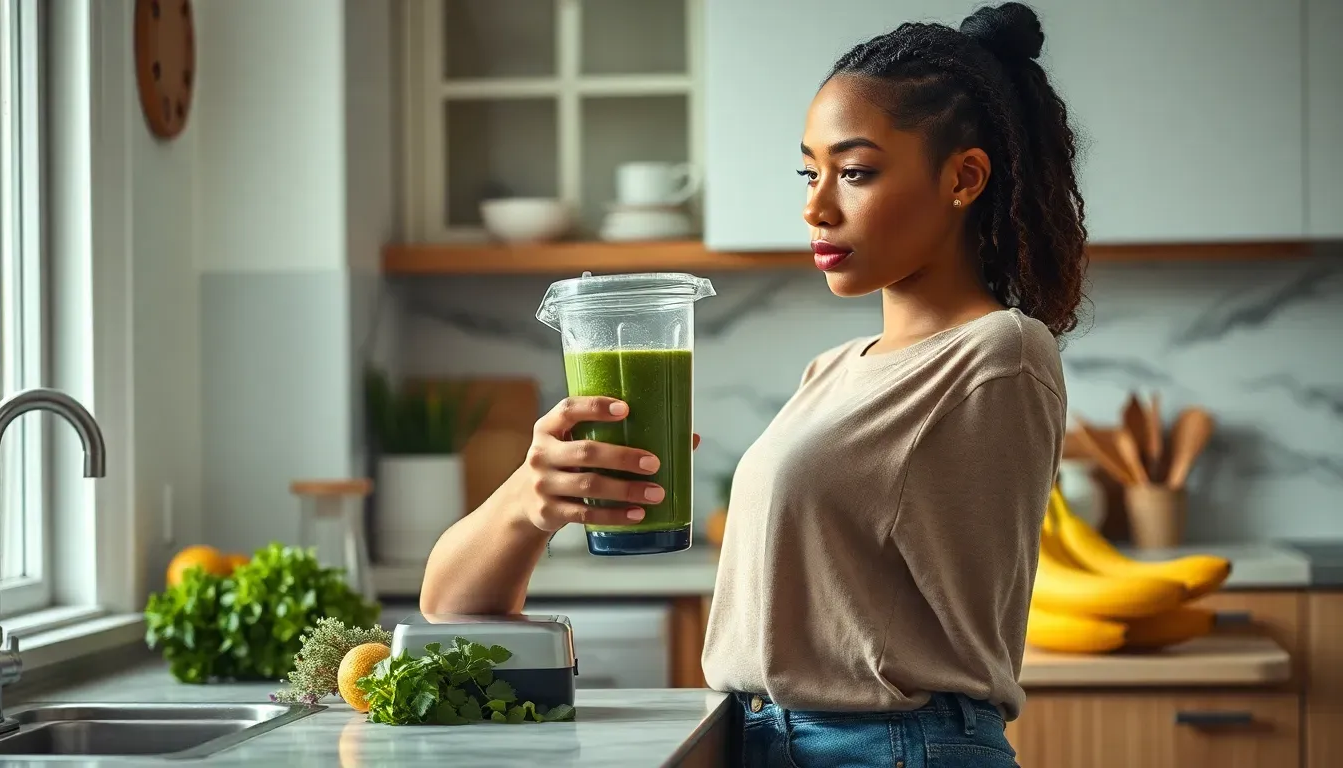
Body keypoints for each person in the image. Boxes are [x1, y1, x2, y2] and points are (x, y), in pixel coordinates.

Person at [419, 2, 1084, 765]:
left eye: (855, 172)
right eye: (810, 171)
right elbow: (449, 607)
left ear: (964, 178)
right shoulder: (831, 373)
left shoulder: (1001, 353)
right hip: (765, 737)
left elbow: (945, 631)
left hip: (887, 747)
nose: (816, 205)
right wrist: (531, 500)